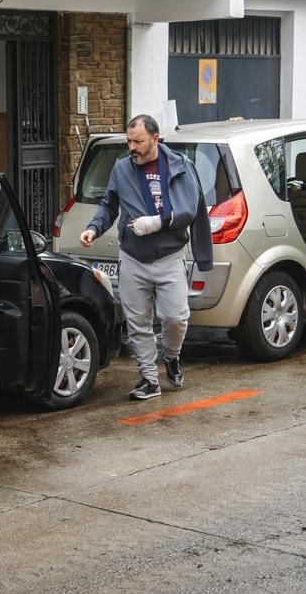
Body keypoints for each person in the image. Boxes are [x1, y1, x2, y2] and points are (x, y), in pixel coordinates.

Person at [79, 114, 212, 401]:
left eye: (138, 141)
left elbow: (190, 209)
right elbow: (109, 205)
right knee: (138, 324)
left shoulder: (179, 166)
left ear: (155, 139)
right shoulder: (121, 169)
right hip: (133, 258)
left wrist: (155, 223)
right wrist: (93, 228)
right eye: (129, 141)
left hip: (170, 257)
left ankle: (172, 356)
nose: (132, 147)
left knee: (176, 318)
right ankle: (149, 380)